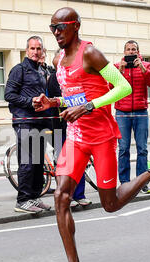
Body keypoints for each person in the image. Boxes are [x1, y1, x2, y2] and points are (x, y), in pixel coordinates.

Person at [33, 7, 150, 262]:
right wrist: (53, 102)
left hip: (101, 136)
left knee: (109, 204)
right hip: (76, 137)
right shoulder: (58, 58)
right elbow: (73, 95)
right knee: (61, 197)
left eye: (61, 27)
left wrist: (88, 107)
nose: (56, 33)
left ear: (76, 27)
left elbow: (122, 87)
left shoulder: (91, 54)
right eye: (52, 28)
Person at [4, 36, 52, 214]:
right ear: (27, 50)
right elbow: (9, 95)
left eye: (38, 48)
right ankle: (22, 200)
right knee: (27, 162)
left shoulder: (41, 70)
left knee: (39, 162)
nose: (36, 52)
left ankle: (34, 197)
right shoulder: (19, 69)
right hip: (24, 121)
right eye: (32, 48)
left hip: (40, 122)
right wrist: (30, 101)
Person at [45, 50, 91, 208]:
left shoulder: (72, 75)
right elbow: (61, 100)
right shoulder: (54, 78)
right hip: (58, 126)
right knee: (65, 163)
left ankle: (79, 195)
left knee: (78, 161)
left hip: (75, 124)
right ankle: (68, 196)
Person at [114, 40, 150, 194]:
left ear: (138, 52)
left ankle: (141, 182)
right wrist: (120, 70)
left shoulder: (146, 66)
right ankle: (125, 182)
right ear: (124, 52)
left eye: (134, 49)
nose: (131, 52)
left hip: (140, 112)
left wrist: (142, 68)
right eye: (128, 49)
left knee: (142, 149)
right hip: (122, 113)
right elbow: (110, 87)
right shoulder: (117, 67)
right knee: (123, 149)